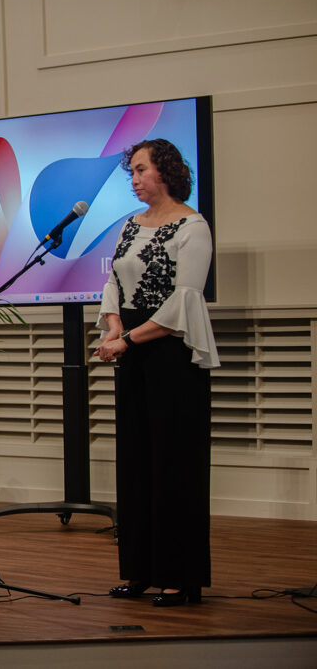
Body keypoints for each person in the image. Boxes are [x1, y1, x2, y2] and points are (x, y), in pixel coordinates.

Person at [94, 139, 219, 607]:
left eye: (140, 170)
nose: (134, 179)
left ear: (165, 171)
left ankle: (179, 576)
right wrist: (112, 329)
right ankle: (141, 570)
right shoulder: (131, 224)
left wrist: (125, 340)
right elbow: (112, 281)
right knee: (136, 462)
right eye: (132, 172)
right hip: (132, 352)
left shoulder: (193, 226)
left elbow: (184, 301)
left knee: (174, 464)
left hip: (170, 357)